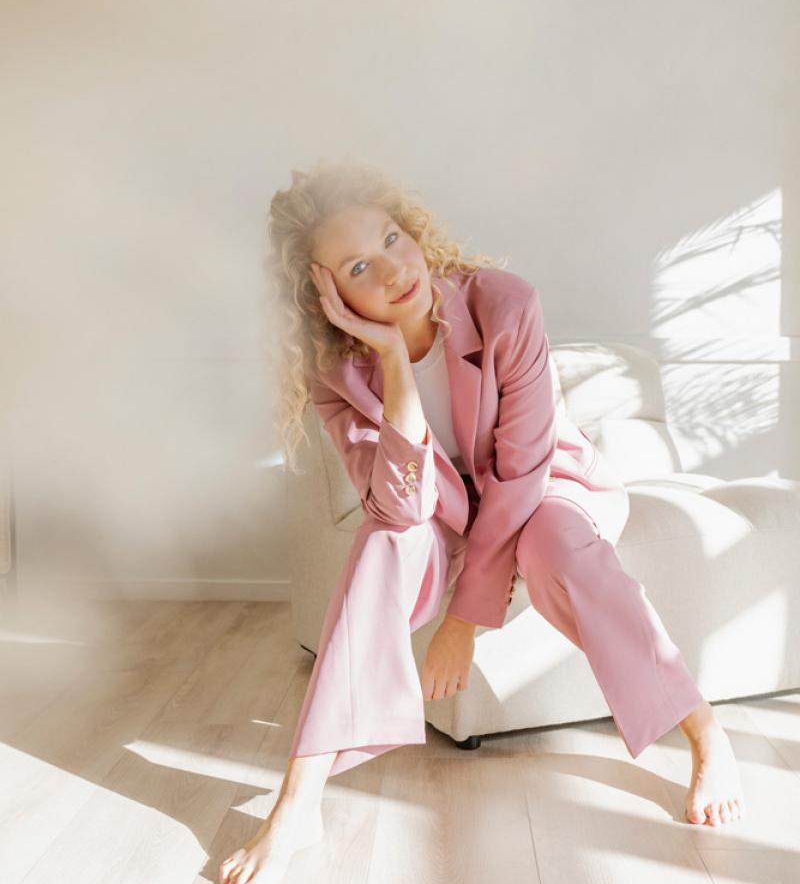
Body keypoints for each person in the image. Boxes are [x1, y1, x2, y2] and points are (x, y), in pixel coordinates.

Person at [219, 159, 745, 884]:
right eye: (359, 267)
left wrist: (464, 621)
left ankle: (704, 730)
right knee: (383, 545)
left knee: (558, 543)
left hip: (546, 488)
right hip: (440, 515)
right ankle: (297, 802)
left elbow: (523, 476)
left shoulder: (504, 304)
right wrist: (391, 360)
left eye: (392, 238)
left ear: (413, 230)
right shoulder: (338, 374)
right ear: (325, 294)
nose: (393, 271)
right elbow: (401, 505)